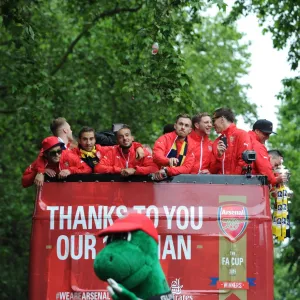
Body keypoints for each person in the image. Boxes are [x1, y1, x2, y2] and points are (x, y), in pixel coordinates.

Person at [73, 126, 146, 173]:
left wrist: (137, 146)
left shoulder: (103, 150)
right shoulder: (72, 153)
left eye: (91, 139)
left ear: (95, 140)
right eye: (85, 139)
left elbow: (123, 145)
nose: (88, 143)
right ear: (79, 140)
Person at [22, 136, 87, 188]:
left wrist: (70, 170)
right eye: (53, 153)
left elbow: (87, 169)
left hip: (71, 195)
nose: (57, 155)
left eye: (59, 151)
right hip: (50, 200)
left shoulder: (69, 156)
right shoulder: (40, 162)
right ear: (45, 154)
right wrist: (40, 172)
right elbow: (24, 182)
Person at [94, 125, 158, 176]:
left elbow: (154, 168)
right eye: (121, 137)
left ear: (132, 138)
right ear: (117, 141)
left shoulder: (142, 151)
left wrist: (134, 170)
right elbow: (98, 168)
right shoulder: (113, 151)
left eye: (127, 135)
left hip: (138, 189)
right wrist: (120, 170)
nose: (125, 138)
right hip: (117, 190)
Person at [152, 113, 195, 179]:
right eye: (181, 124)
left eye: (186, 125)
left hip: (179, 182)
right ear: (175, 126)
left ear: (190, 130)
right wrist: (168, 160)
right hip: (158, 180)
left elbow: (187, 168)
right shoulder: (164, 138)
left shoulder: (192, 144)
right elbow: (156, 156)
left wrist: (167, 170)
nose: (183, 127)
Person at [210, 107, 252, 174]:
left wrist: (233, 180)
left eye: (213, 120)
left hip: (236, 183)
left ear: (222, 119)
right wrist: (219, 156)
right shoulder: (216, 142)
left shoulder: (241, 134)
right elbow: (212, 170)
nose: (212, 125)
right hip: (219, 183)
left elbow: (244, 162)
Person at [248, 120, 286, 185]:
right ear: (257, 131)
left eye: (269, 134)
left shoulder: (246, 139)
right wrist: (275, 180)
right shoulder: (257, 145)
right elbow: (264, 168)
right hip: (250, 184)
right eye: (266, 134)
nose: (268, 137)